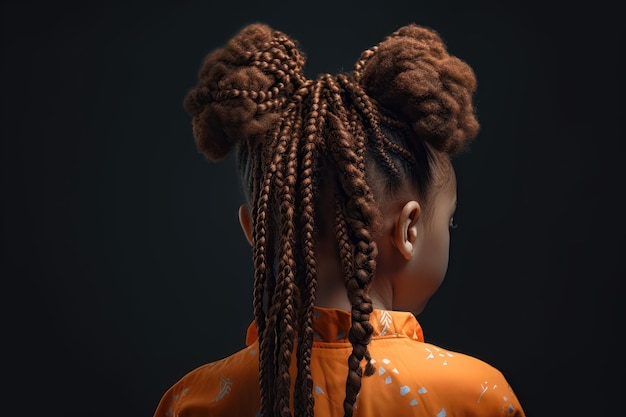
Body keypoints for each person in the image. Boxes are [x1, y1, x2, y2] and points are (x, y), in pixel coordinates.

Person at [153, 22, 526, 417]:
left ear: (255, 232)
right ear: (409, 229)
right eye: (448, 221)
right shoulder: (478, 395)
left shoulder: (195, 401)